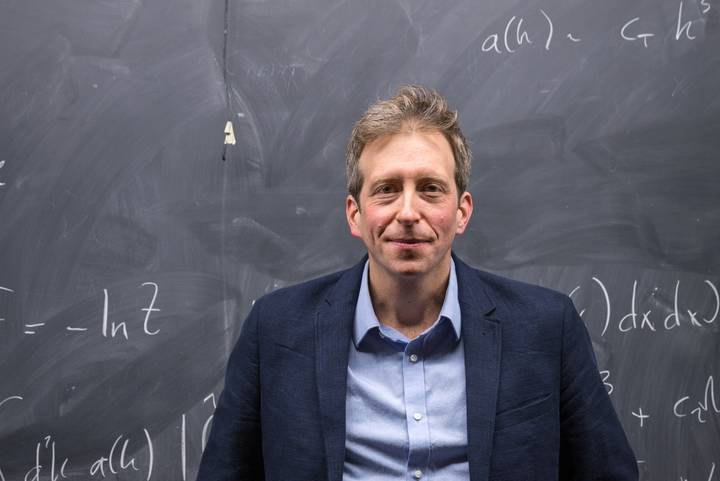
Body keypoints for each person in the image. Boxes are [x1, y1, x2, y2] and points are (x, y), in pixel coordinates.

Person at [196, 85, 638, 480]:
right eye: (387, 189)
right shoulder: (275, 330)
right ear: (355, 213)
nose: (408, 212)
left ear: (461, 211)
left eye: (430, 188)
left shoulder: (546, 327)